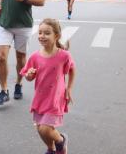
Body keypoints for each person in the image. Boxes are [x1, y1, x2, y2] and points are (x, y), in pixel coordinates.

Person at [0, 0, 45, 105]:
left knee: (21, 59)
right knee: (1, 57)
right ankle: (4, 91)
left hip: (23, 25)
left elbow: (41, 1)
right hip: (4, 24)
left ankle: (18, 84)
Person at [20, 18, 76, 154]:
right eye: (40, 33)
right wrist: (29, 75)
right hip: (41, 98)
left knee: (45, 128)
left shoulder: (63, 56)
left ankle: (61, 141)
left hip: (56, 98)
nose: (42, 36)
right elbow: (27, 76)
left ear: (56, 36)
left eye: (46, 33)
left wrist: (69, 88)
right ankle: (51, 149)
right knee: (40, 129)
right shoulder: (35, 57)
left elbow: (72, 69)